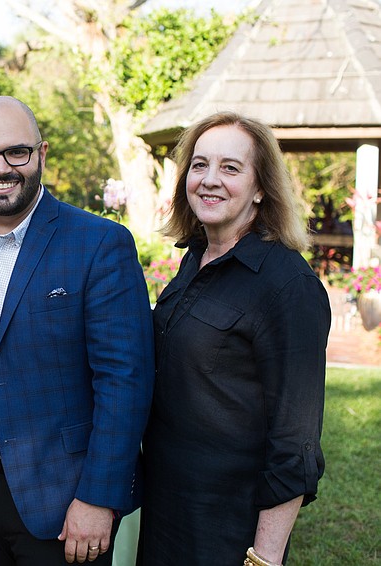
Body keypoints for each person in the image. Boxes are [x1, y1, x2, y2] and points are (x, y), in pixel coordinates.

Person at [0, 95, 155, 565]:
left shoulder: (99, 243)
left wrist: (98, 498)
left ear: (42, 154)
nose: (1, 168)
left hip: (63, 497)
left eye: (17, 152)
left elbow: (124, 381)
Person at [136, 112, 330, 566]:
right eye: (199, 165)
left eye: (230, 168)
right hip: (166, 515)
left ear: (261, 187)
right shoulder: (195, 260)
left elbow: (295, 446)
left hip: (228, 532)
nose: (209, 180)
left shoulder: (287, 287)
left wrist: (262, 558)